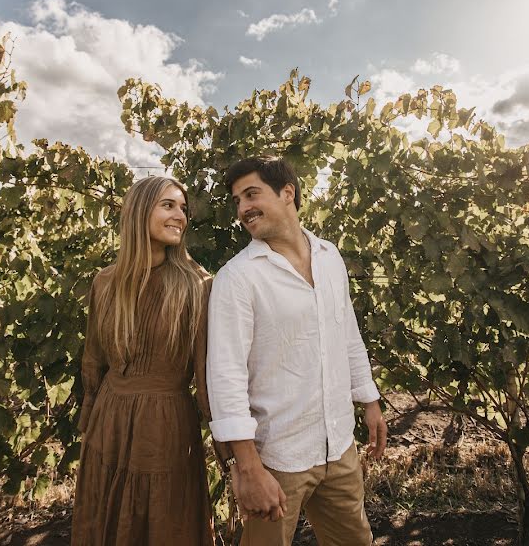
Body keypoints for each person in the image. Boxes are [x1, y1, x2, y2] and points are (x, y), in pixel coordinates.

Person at [207, 157, 388, 546]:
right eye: (237, 200)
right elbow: (226, 377)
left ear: (287, 193)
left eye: (251, 194)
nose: (242, 208)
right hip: (277, 457)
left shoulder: (329, 257)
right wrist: (249, 467)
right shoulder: (237, 278)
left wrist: (369, 399)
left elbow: (348, 334)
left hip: (339, 444)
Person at [71, 176, 226, 546]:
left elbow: (206, 375)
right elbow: (94, 358)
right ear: (139, 212)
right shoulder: (105, 282)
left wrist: (229, 448)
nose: (180, 216)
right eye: (168, 205)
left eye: (183, 208)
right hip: (110, 421)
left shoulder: (198, 284)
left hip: (164, 425)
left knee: (162, 520)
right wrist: (90, 417)